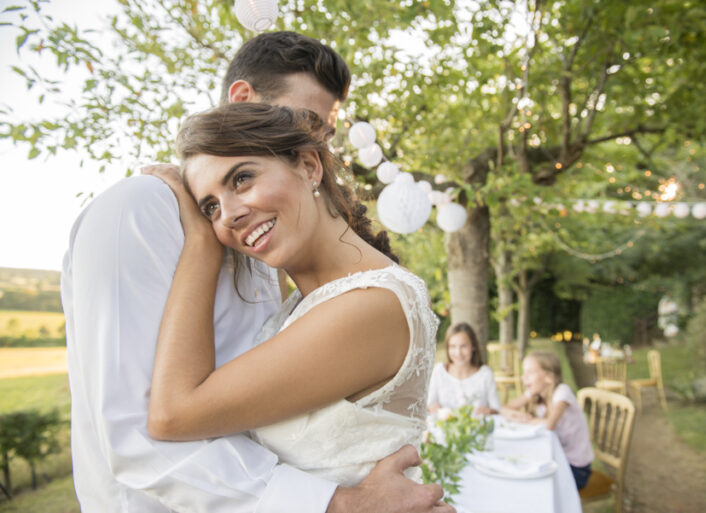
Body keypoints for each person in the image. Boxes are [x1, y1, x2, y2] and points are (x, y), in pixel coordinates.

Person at [62, 31, 451, 513]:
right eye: (306, 121)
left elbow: (186, 414)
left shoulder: (308, 275)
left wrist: (204, 239)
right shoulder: (141, 212)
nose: (319, 145)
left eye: (323, 135)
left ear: (309, 165)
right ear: (243, 100)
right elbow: (136, 434)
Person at [142, 101, 438, 486]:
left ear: (309, 166)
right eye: (210, 207)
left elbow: (171, 415)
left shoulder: (371, 304)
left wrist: (200, 241)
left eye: (241, 179)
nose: (228, 215)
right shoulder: (306, 303)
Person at [500, 351, 594, 489]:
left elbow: (550, 424)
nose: (523, 377)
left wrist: (525, 419)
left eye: (530, 372)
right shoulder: (535, 393)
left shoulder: (562, 392)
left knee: (534, 485)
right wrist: (519, 416)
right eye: (523, 372)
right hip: (557, 458)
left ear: (549, 377)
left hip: (577, 468)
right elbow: (504, 409)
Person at [427, 323, 500, 416]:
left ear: (473, 346)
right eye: (453, 346)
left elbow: (497, 410)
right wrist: (434, 408)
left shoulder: (485, 374)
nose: (458, 353)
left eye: (463, 346)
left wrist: (489, 411)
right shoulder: (439, 371)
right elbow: (429, 405)